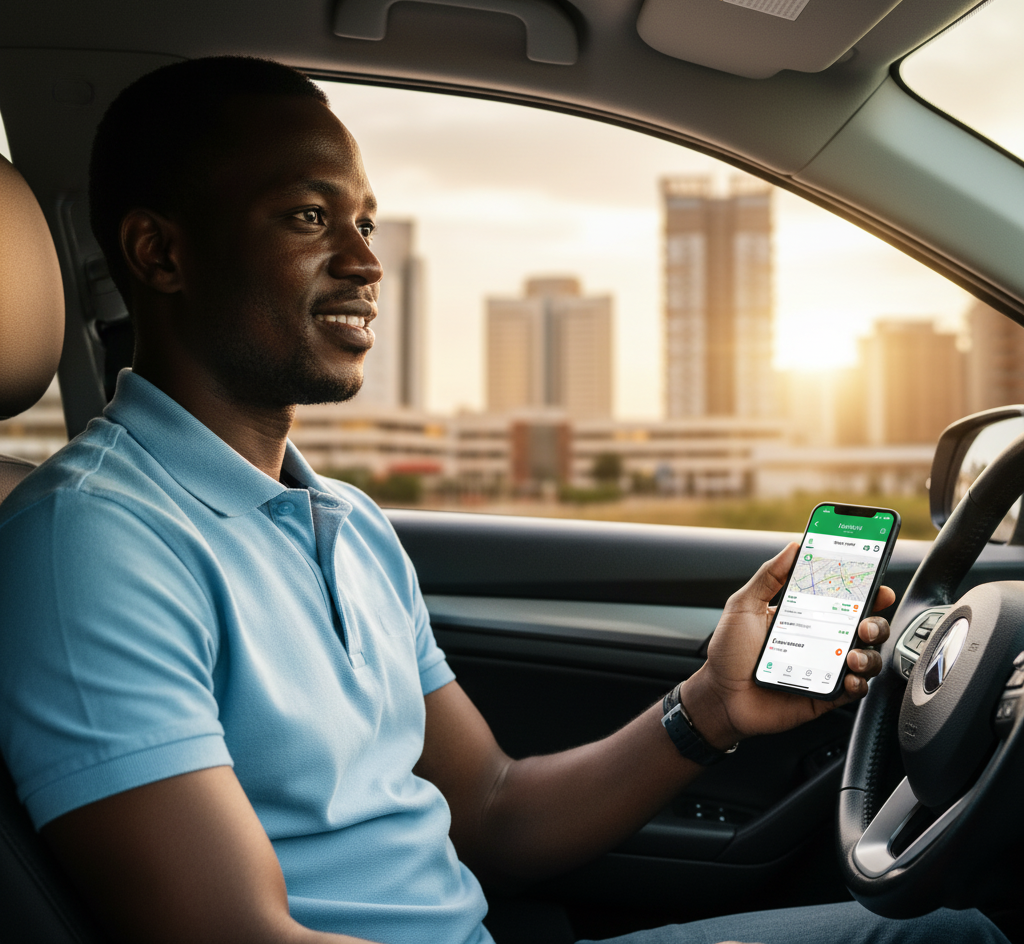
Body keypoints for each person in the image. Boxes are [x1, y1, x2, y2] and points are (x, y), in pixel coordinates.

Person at [0, 57, 1007, 944]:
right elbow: (234, 934)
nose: (365, 260)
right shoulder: (88, 545)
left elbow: (490, 813)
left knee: (957, 927)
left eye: (364, 222)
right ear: (160, 254)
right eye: (309, 218)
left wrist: (710, 705)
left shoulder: (345, 522)